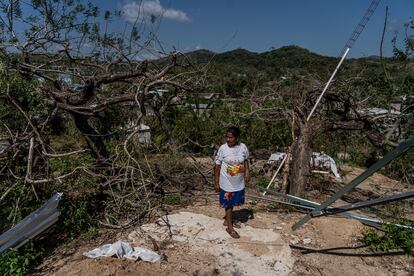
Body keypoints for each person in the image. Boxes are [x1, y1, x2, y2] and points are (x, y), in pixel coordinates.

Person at [214, 126, 250, 239]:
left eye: (231, 137)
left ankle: (228, 220)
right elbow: (217, 165)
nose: (228, 139)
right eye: (227, 137)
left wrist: (247, 173)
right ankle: (230, 227)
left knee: (235, 201)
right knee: (228, 204)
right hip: (226, 182)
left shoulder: (243, 147)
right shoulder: (223, 148)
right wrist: (216, 181)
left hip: (238, 181)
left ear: (237, 138)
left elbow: (246, 160)